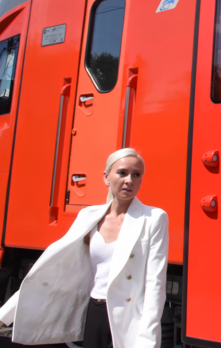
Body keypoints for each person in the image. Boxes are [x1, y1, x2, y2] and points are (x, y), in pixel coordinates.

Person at [0, 148, 169, 347]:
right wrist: (6, 313)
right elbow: (56, 267)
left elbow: (155, 283)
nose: (129, 180)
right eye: (122, 173)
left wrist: (147, 339)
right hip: (94, 313)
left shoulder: (154, 218)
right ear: (107, 177)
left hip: (130, 318)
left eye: (136, 174)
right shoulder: (89, 215)